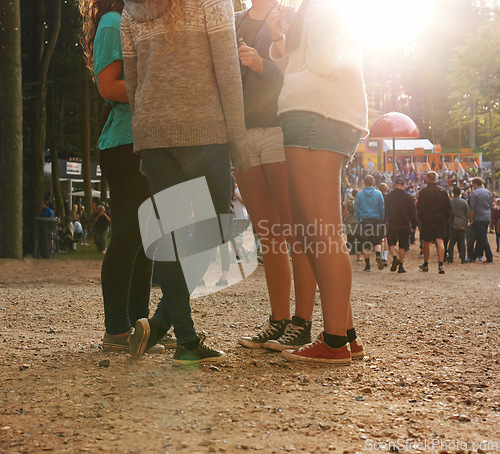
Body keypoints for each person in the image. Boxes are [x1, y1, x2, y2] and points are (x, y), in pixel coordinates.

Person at [121, 0, 250, 365]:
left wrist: (143, 140)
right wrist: (238, 145)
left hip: (153, 134)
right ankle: (181, 335)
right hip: (204, 130)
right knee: (221, 222)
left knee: (172, 236)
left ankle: (170, 326)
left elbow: (132, 83)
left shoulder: (132, 9)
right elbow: (227, 71)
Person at [266, 0, 368, 364]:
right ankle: (346, 335)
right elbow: (296, 69)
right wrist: (283, 35)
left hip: (317, 117)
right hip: (315, 117)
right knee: (315, 232)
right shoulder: (316, 9)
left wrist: (301, 26)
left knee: (321, 231)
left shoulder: (323, 8)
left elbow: (325, 62)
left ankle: (335, 342)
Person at [79, 0, 165, 356]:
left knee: (146, 239)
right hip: (124, 143)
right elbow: (108, 85)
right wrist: (162, 91)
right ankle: (116, 329)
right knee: (129, 235)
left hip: (144, 140)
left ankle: (139, 326)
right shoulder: (113, 22)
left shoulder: (133, 21)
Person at [233, 0, 317, 352]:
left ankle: (303, 323)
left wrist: (262, 64)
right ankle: (278, 321)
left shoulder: (289, 17)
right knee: (268, 235)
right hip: (241, 134)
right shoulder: (233, 21)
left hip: (278, 130)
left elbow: (300, 75)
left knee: (294, 229)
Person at [416, 171, 451, 274]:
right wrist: (445, 219)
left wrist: (421, 219)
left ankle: (426, 264)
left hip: (427, 220)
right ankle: (441, 264)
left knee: (426, 242)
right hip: (439, 219)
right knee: (440, 241)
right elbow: (448, 208)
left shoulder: (423, 191)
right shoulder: (443, 191)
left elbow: (419, 208)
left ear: (427, 178)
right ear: (436, 179)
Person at [385, 176, 417, 273]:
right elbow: (413, 213)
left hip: (393, 223)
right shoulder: (408, 197)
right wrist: (414, 226)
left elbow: (386, 210)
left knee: (391, 242)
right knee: (403, 245)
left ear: (395, 185)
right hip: (405, 223)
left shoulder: (389, 196)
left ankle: (395, 257)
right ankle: (401, 266)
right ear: (403, 185)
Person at [355, 175, 385, 272]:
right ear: (373, 182)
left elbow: (356, 209)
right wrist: (381, 218)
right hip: (375, 219)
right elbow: (382, 208)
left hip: (364, 219)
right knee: (376, 240)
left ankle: (367, 265)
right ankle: (378, 255)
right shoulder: (378, 193)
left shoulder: (359, 194)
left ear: (364, 182)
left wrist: (359, 219)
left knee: (365, 243)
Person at [468, 177, 493, 263]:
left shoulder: (474, 193)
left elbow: (472, 208)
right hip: (486, 217)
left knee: (483, 238)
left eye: (472, 184)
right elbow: (491, 206)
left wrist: (471, 219)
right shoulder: (488, 192)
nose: (472, 186)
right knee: (480, 238)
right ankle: (474, 256)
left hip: (478, 218)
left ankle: (489, 256)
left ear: (475, 184)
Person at [447, 186, 469, 264]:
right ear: (460, 193)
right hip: (462, 223)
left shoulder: (450, 202)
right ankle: (463, 258)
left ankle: (450, 258)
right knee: (462, 241)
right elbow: (467, 214)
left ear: (453, 192)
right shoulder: (464, 202)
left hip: (453, 223)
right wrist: (466, 222)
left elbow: (448, 213)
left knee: (452, 242)